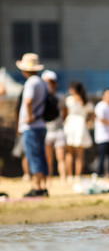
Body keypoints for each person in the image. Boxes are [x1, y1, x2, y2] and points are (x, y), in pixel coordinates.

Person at [16, 53, 49, 197]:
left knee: (33, 156)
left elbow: (28, 101)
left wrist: (29, 117)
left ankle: (37, 187)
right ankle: (43, 186)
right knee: (41, 156)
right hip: (41, 124)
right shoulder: (42, 82)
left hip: (31, 126)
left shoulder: (31, 82)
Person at [64, 81, 94, 182]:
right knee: (80, 154)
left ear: (73, 90)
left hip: (70, 124)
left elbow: (64, 113)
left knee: (69, 153)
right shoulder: (85, 102)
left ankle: (70, 176)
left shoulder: (69, 100)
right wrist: (88, 122)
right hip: (81, 125)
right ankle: (78, 176)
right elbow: (93, 114)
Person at [41, 70, 67, 186]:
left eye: (51, 82)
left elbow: (65, 111)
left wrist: (62, 121)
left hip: (58, 130)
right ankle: (48, 179)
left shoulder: (60, 97)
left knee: (61, 157)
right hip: (46, 130)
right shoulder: (41, 97)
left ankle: (63, 179)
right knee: (48, 158)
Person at [94, 88, 109, 179]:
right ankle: (100, 173)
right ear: (104, 96)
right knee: (102, 157)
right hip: (102, 136)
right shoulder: (100, 106)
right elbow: (101, 119)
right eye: (108, 96)